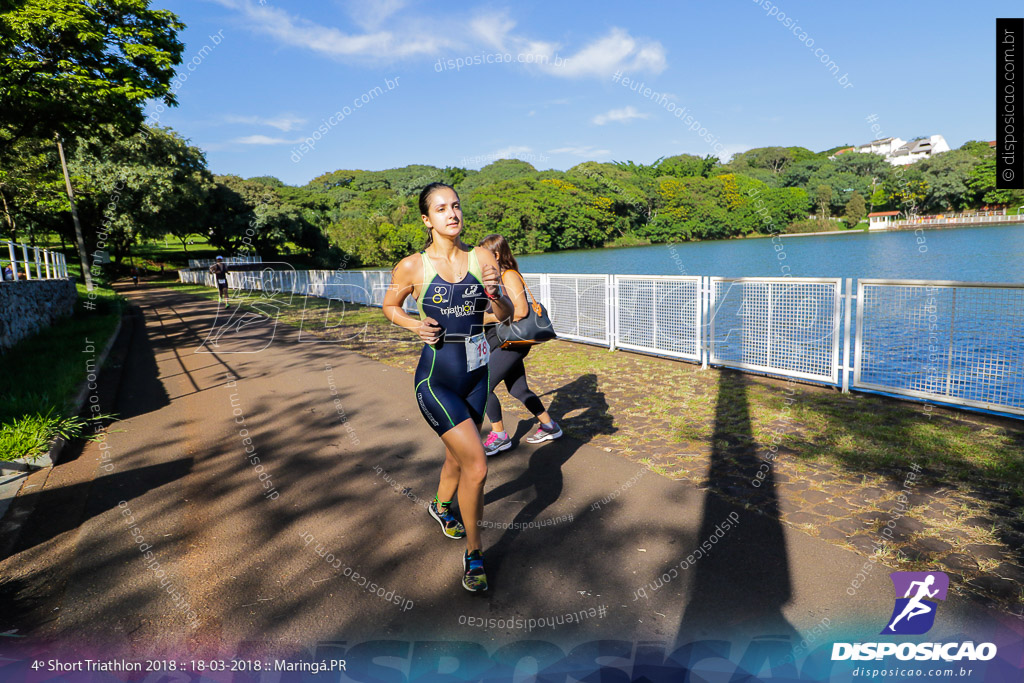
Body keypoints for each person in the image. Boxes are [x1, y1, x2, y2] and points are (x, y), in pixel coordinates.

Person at [382, 183, 513, 592]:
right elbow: (390, 306)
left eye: (455, 206)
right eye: (441, 209)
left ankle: (441, 506)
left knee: (458, 457)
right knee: (477, 463)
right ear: (427, 219)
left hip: (477, 374)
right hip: (436, 379)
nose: (451, 214)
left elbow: (507, 313)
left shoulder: (483, 257)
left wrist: (493, 293)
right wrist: (413, 324)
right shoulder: (412, 267)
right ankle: (475, 553)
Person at [477, 235, 562, 456]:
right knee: (518, 389)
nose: (479, 260)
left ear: (495, 255)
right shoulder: (494, 279)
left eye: (483, 255)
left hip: (512, 342)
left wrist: (486, 319)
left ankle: (500, 437)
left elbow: (521, 310)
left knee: (482, 387)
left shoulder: (508, 275)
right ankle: (550, 426)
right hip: (501, 342)